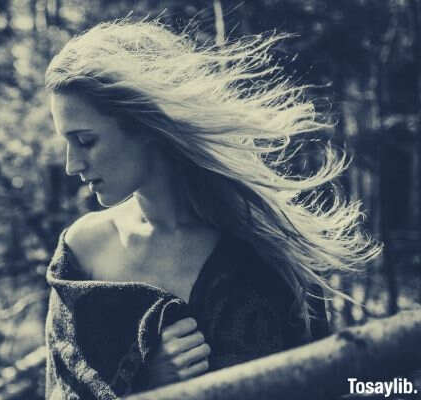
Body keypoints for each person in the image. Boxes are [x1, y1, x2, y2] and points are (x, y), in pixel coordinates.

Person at [42, 18, 381, 399]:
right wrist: (146, 385)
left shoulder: (257, 255)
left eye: (85, 140)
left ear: (146, 127)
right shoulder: (82, 250)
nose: (72, 164)